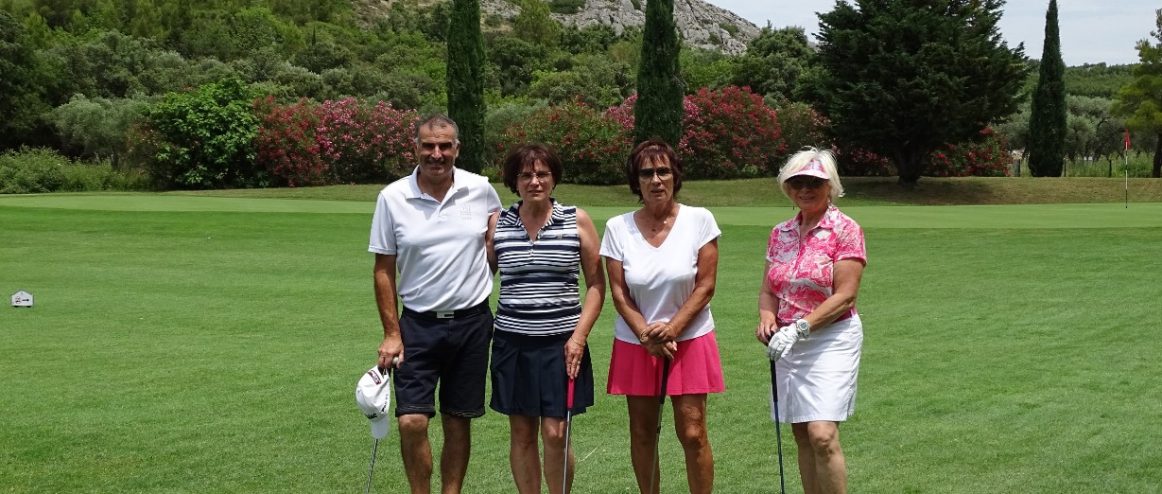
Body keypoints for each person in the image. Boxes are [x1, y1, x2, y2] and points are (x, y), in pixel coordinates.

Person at [368, 114, 502, 494]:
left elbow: (496, 247)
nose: (437, 154)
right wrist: (392, 333)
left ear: (457, 148)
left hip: (473, 323)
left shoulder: (481, 190)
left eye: (445, 146)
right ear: (416, 148)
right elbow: (383, 270)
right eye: (429, 146)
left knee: (458, 420)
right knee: (412, 421)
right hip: (417, 326)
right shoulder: (392, 197)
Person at [600, 139, 723, 494]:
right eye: (646, 172)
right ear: (635, 181)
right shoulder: (617, 227)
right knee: (642, 433)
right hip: (636, 342)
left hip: (690, 337)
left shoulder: (700, 220)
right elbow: (619, 293)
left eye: (663, 171)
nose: (656, 180)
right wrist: (646, 335)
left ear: (675, 175)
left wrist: (671, 328)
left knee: (693, 432)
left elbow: (706, 285)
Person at [486, 144, 605, 494]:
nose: (534, 181)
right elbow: (479, 278)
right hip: (513, 343)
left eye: (542, 174)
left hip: (562, 345)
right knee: (522, 434)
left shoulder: (576, 220)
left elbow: (597, 285)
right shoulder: (499, 222)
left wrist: (579, 337)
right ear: (514, 181)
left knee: (556, 432)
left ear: (554, 178)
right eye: (525, 175)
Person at [757, 148, 866, 494]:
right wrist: (766, 318)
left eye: (814, 182)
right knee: (802, 433)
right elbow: (768, 289)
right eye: (797, 182)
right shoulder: (780, 233)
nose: (805, 188)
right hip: (788, 342)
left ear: (830, 186)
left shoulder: (845, 229)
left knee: (822, 433)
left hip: (831, 338)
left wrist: (801, 328)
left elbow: (845, 295)